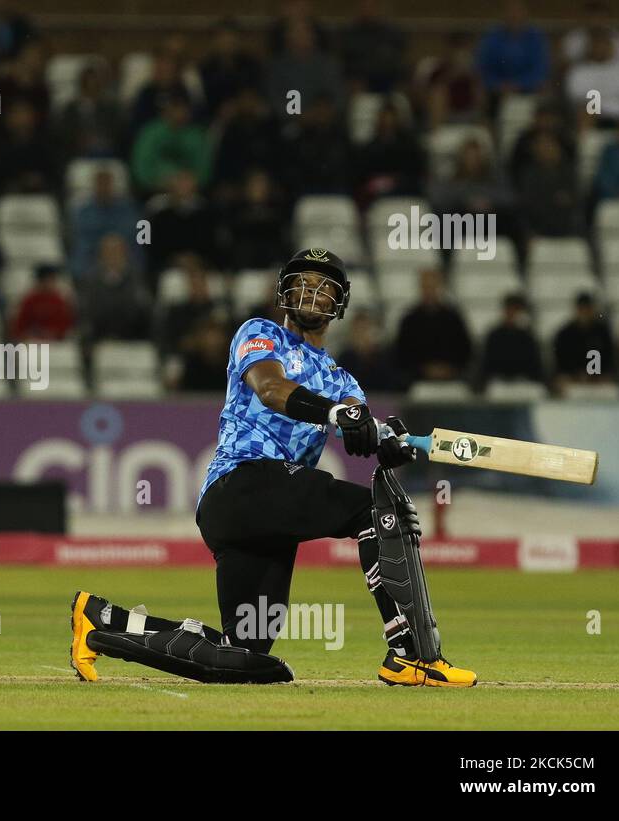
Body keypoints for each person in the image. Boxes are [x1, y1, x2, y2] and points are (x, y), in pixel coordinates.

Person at [70, 248, 475, 687]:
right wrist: (340, 414)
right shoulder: (260, 333)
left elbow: (359, 428)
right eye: (302, 282)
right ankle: (412, 655)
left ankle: (100, 623)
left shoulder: (343, 380)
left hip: (269, 518)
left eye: (325, 288)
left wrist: (387, 441)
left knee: (245, 657)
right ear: (284, 291)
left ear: (339, 304)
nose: (312, 292)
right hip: (240, 485)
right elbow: (270, 388)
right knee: (375, 512)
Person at [394, 268, 472, 382]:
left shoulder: (454, 318)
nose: (429, 291)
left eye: (433, 287)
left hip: (452, 379)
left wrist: (449, 369)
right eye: (426, 287)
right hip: (417, 380)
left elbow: (465, 350)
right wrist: (424, 369)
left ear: (440, 288)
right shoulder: (409, 320)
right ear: (420, 288)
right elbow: (402, 354)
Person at [480, 294, 544, 387]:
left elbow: (535, 367)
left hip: (524, 382)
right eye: (510, 309)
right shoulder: (494, 335)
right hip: (499, 382)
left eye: (516, 310)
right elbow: (487, 366)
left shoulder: (528, 337)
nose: (512, 313)